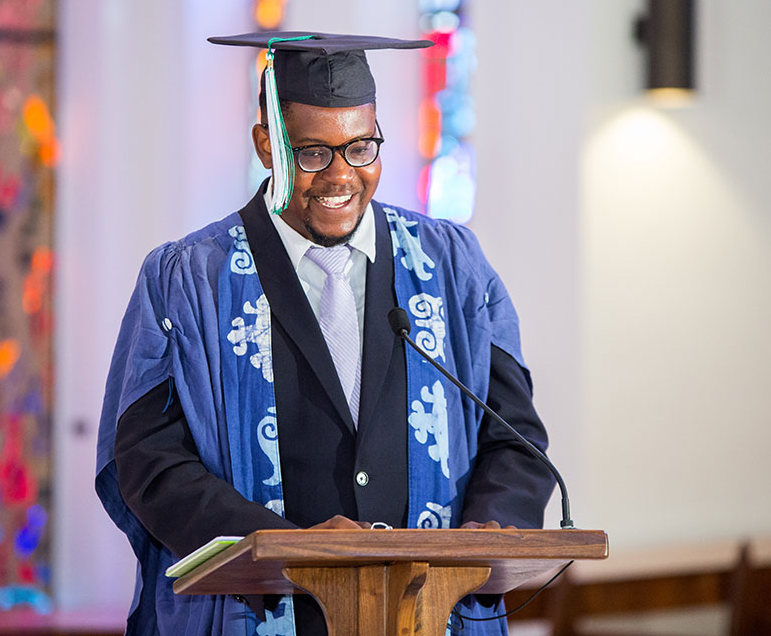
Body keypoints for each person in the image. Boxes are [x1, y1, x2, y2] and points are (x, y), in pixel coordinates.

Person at [95, 32, 556, 636]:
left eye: (361, 147)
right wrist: (289, 548)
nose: (342, 175)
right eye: (313, 152)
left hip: (427, 613)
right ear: (267, 144)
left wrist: (487, 529)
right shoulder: (188, 279)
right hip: (260, 616)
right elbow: (147, 462)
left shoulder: (450, 266)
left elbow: (515, 440)